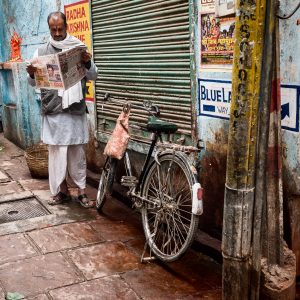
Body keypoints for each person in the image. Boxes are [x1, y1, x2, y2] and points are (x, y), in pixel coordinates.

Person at [26, 11, 98, 208]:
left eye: (60, 29)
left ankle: (82, 192)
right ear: (49, 28)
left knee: (77, 153)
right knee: (57, 153)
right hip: (54, 111)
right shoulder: (40, 52)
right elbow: (32, 83)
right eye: (53, 30)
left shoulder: (78, 47)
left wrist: (87, 61)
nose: (57, 33)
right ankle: (61, 191)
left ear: (67, 27)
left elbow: (93, 76)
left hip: (74, 111)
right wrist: (31, 74)